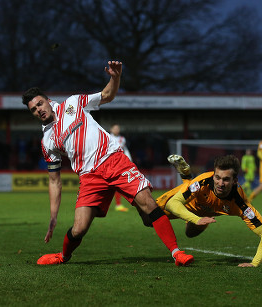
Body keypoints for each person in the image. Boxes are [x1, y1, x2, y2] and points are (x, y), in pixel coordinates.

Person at [22, 61, 194, 266]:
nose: (38, 110)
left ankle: (176, 253)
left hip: (114, 161)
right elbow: (54, 181)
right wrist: (53, 217)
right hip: (89, 176)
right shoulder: (47, 141)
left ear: (48, 100)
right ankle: (63, 256)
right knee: (79, 229)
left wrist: (115, 77)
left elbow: (107, 95)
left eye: (40, 104)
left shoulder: (73, 103)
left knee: (148, 206)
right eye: (33, 109)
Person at [140, 154, 262, 267]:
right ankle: (183, 175)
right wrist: (196, 219)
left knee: (190, 233)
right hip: (187, 203)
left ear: (235, 181)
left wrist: (254, 263)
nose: (220, 184)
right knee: (148, 219)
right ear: (214, 175)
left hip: (202, 213)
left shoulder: (240, 203)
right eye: (218, 177)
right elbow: (172, 204)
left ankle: (186, 177)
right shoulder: (203, 182)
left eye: (226, 179)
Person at [110, 123, 132, 212]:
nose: (116, 130)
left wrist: (129, 160)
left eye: (118, 128)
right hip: (109, 164)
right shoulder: (108, 137)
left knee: (118, 184)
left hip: (119, 164)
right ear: (111, 130)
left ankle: (118, 204)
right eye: (115, 128)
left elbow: (125, 150)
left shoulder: (122, 139)